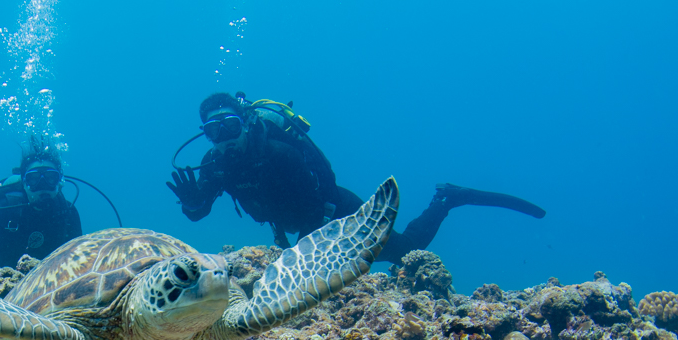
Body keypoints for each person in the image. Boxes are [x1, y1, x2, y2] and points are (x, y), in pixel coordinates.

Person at [167, 92, 546, 267]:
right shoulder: (215, 165)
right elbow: (199, 211)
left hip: (336, 210)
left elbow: (324, 181)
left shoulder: (278, 149)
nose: (225, 138)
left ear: (246, 121)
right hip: (296, 230)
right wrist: (191, 202)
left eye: (230, 126)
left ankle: (446, 200)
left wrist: (310, 242)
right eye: (214, 132)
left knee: (408, 255)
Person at [0, 138, 82, 271]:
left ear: (60, 181)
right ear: (24, 182)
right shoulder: (3, 208)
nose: (42, 185)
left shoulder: (68, 213)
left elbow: (78, 262)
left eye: (50, 177)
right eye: (34, 179)